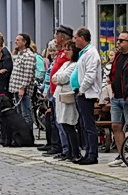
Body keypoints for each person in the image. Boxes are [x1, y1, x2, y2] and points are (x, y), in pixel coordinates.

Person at [74, 27, 104, 164]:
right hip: (83, 92)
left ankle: (93, 154)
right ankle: (88, 152)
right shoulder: (84, 53)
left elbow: (90, 74)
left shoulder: (91, 53)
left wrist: (82, 88)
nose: (75, 40)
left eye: (76, 38)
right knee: (84, 125)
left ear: (82, 38)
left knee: (89, 125)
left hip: (87, 93)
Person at [41, 25, 72, 155]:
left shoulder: (67, 52)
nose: (55, 38)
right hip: (54, 91)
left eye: (57, 35)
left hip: (62, 90)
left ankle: (64, 148)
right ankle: (58, 146)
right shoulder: (61, 52)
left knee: (61, 121)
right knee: (55, 120)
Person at [52, 42, 81, 160]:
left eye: (68, 50)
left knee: (69, 124)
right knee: (62, 124)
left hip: (68, 97)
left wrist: (58, 79)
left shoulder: (75, 65)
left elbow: (63, 78)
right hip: (59, 96)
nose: (66, 52)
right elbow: (56, 76)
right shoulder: (65, 64)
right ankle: (68, 151)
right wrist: (58, 78)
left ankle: (75, 152)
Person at [9, 33, 36, 129]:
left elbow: (28, 73)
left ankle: (28, 135)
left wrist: (22, 87)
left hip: (23, 90)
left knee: (26, 114)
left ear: (24, 42)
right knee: (19, 115)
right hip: (16, 88)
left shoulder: (28, 55)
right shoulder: (19, 55)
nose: (15, 42)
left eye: (18, 40)